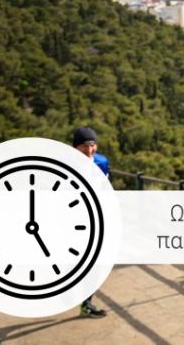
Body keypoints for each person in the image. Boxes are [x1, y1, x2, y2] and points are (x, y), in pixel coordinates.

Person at [72, 126, 109, 318]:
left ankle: (86, 303)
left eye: (92, 145)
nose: (89, 150)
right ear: (75, 148)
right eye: (84, 146)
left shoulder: (102, 162)